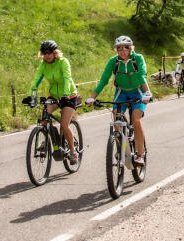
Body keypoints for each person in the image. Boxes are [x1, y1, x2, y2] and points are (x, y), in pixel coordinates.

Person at [86, 36, 151, 166]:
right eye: (119, 48)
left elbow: (141, 75)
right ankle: (121, 147)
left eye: (125, 48)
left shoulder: (137, 58)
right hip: (121, 92)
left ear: (130, 48)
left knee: (136, 119)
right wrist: (93, 97)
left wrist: (147, 93)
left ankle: (140, 155)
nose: (122, 51)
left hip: (138, 91)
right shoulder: (113, 61)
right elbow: (104, 79)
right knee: (116, 118)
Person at [29, 40, 80, 164]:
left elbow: (67, 78)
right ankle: (45, 140)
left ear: (55, 52)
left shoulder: (63, 62)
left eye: (49, 52)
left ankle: (73, 151)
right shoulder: (43, 64)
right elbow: (36, 80)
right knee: (44, 117)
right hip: (54, 95)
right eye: (44, 53)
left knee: (64, 124)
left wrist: (66, 94)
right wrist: (32, 96)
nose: (47, 55)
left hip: (69, 96)